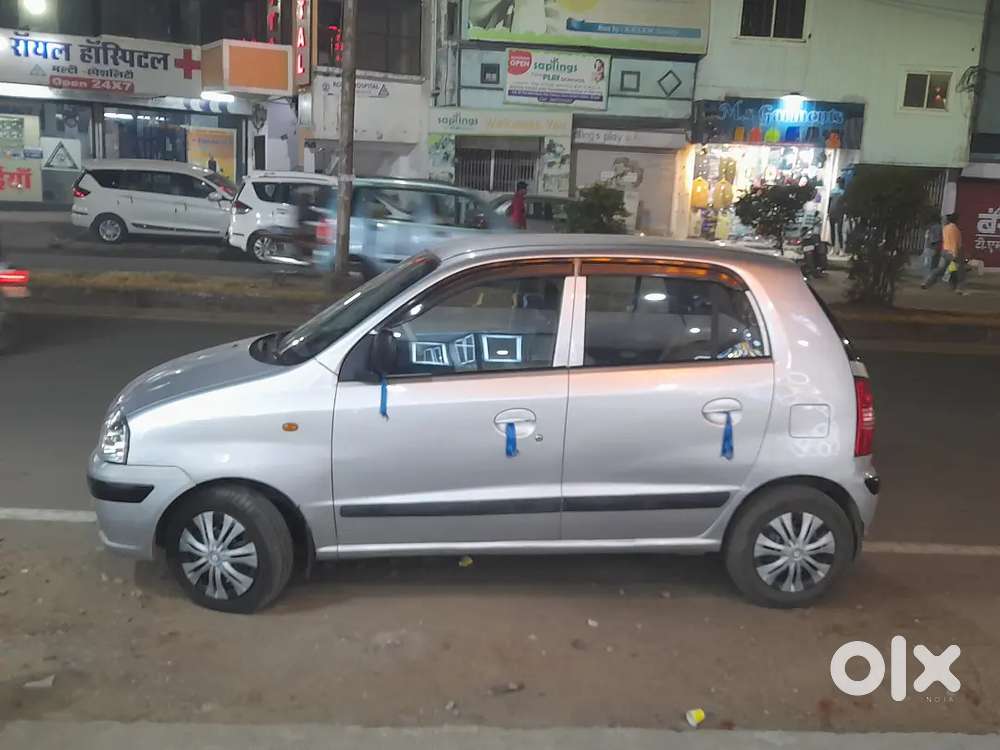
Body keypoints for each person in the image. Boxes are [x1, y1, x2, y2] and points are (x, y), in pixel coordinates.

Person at [923, 213, 966, 293]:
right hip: (953, 252)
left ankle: (927, 282)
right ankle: (959, 288)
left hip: (945, 251)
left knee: (942, 269)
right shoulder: (956, 230)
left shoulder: (945, 228)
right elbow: (955, 242)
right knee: (960, 272)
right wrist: (955, 254)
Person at [827, 177, 846, 249]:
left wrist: (828, 212)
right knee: (839, 231)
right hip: (839, 213)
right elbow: (845, 204)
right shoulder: (843, 192)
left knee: (833, 231)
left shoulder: (832, 191)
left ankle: (833, 248)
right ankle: (840, 249)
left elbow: (829, 203)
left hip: (832, 212)